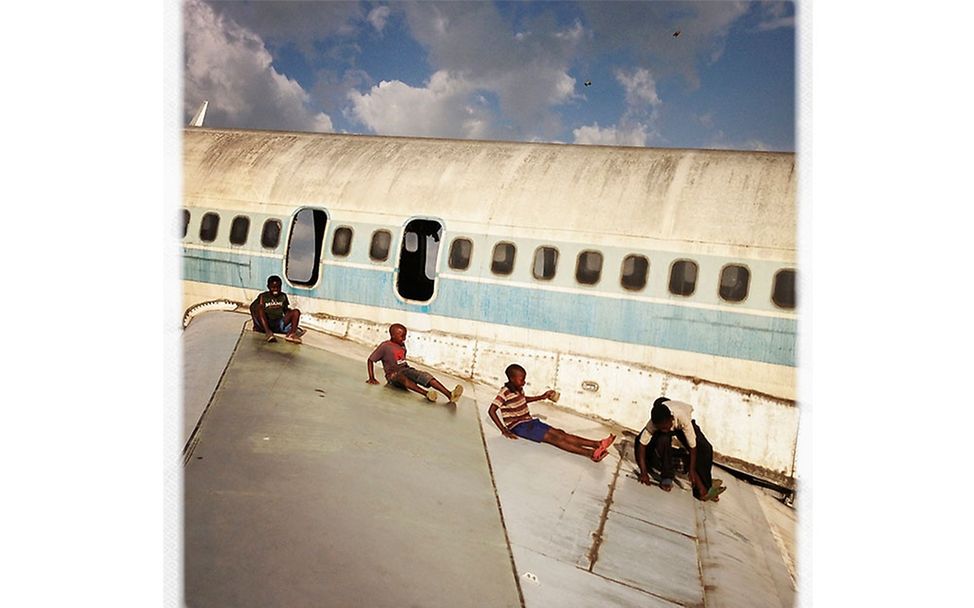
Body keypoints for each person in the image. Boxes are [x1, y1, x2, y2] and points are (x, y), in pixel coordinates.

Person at [488, 364, 615, 462]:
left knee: (560, 433)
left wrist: (542, 397)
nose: (524, 382)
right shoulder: (504, 392)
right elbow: (492, 410)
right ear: (511, 379)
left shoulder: (519, 389)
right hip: (519, 427)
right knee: (555, 439)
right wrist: (504, 430)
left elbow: (523, 400)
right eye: (521, 379)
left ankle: (597, 444)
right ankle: (591, 454)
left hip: (529, 421)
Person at [635, 397, 725, 501]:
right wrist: (644, 472)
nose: (664, 430)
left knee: (705, 448)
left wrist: (691, 469)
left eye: (665, 427)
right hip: (667, 423)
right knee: (663, 439)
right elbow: (642, 445)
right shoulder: (654, 423)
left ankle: (705, 485)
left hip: (683, 422)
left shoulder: (682, 418)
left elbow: (693, 446)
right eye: (660, 428)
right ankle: (667, 477)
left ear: (671, 419)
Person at [366, 323, 464, 403]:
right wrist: (371, 377)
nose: (404, 339)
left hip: (406, 370)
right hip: (393, 376)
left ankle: (449, 394)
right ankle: (426, 393)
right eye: (402, 336)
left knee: (425, 376)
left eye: (405, 336)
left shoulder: (402, 345)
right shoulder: (385, 346)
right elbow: (370, 360)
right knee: (401, 377)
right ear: (393, 335)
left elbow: (402, 362)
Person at [249, 275, 303, 343]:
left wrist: (291, 316)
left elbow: (285, 310)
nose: (276, 290)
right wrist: (256, 324)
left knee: (296, 312)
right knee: (260, 308)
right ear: (268, 287)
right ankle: (268, 333)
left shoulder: (283, 296)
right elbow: (252, 307)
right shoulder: (263, 296)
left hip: (279, 322)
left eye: (278, 287)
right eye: (273, 287)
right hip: (267, 322)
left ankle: (292, 334)